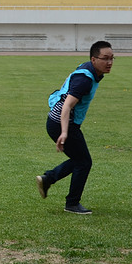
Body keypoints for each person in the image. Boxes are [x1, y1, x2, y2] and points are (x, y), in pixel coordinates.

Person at [35, 40, 114, 214]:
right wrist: (64, 132)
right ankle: (71, 203)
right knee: (84, 162)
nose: (109, 63)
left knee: (80, 160)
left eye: (112, 58)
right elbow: (67, 106)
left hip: (59, 122)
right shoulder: (84, 80)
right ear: (94, 59)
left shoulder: (89, 70)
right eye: (105, 58)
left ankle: (48, 179)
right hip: (62, 123)